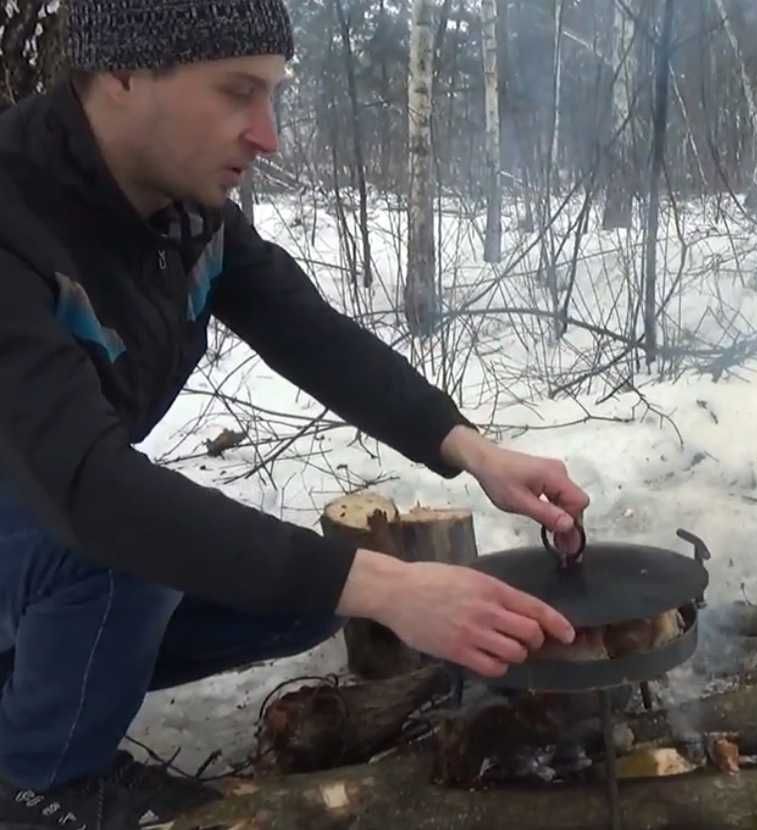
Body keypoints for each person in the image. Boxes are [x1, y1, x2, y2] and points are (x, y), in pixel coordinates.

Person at [0, 0, 590, 826]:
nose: (268, 135)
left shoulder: (180, 207)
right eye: (238, 92)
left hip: (35, 514)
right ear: (122, 73)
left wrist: (472, 450)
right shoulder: (14, 218)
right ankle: (38, 781)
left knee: (293, 600)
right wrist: (388, 585)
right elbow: (89, 492)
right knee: (123, 557)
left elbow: (304, 331)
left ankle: (28, 681)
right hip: (46, 503)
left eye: (274, 95)